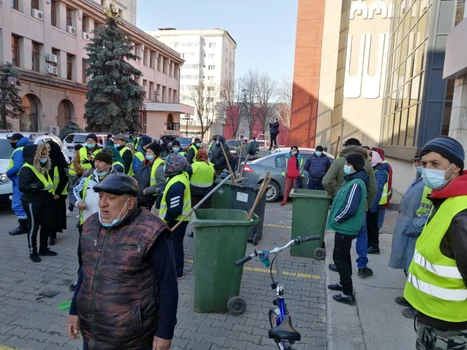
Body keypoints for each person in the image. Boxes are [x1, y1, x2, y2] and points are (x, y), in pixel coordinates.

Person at [67, 174, 178, 350]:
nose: (103, 203)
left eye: (111, 198)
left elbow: (168, 285)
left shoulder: (152, 232)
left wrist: (165, 332)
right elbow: (84, 272)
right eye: (101, 196)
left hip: (132, 338)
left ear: (130, 202)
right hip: (93, 333)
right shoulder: (90, 225)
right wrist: (74, 310)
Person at [403, 136, 467, 349]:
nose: (427, 169)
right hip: (431, 315)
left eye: (435, 163)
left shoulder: (461, 212)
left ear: (456, 166)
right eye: (424, 163)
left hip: (450, 325)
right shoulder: (444, 198)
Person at [323, 138, 376, 278]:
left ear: (345, 147)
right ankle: (362, 267)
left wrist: (336, 193)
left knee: (341, 236)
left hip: (343, 206)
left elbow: (326, 181)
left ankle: (339, 263)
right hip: (360, 207)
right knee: (362, 236)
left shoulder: (339, 161)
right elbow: (373, 189)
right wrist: (366, 205)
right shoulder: (367, 163)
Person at [389, 150, 432, 320]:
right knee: (409, 267)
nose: (417, 166)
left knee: (416, 268)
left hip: (414, 231)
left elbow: (426, 212)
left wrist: (413, 226)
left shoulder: (428, 184)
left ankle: (417, 305)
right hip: (407, 229)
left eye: (420, 163)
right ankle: (410, 297)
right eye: (416, 162)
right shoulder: (419, 180)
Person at [327, 153, 368, 305]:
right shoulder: (352, 180)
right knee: (343, 257)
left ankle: (347, 293)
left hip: (345, 227)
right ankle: (343, 283)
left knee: (340, 258)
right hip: (344, 227)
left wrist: (337, 220)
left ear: (354, 166)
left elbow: (350, 208)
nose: (346, 166)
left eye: (348, 164)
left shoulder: (356, 183)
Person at [68, 148, 117, 273]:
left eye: (100, 161)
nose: (96, 164)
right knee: (84, 253)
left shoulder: (117, 179)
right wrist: (78, 202)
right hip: (87, 224)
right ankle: (82, 277)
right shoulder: (88, 176)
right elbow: (73, 190)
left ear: (108, 164)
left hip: (108, 225)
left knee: (105, 254)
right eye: (96, 161)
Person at [18, 144, 57, 262]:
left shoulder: (41, 166)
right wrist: (38, 186)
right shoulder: (27, 168)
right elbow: (23, 186)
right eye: (41, 154)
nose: (44, 156)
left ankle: (43, 249)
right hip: (32, 202)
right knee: (34, 227)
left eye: (45, 154)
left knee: (46, 225)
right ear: (34, 155)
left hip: (44, 200)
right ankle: (32, 252)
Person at [159, 153, 191, 280]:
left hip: (177, 220)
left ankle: (178, 271)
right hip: (178, 218)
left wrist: (167, 220)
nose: (164, 166)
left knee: (175, 245)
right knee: (174, 245)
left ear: (174, 166)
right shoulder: (180, 175)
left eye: (167, 164)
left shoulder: (177, 183)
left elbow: (175, 208)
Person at [6, 133, 30, 235]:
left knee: (17, 204)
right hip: (22, 178)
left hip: (18, 178)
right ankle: (26, 224)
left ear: (17, 140)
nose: (11, 142)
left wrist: (8, 173)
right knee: (22, 202)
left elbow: (17, 166)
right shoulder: (24, 148)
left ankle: (23, 226)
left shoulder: (18, 150)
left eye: (12, 140)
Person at [46, 140, 69, 246]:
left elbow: (64, 178)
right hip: (47, 193)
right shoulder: (45, 160)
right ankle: (48, 233)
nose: (47, 151)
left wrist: (58, 193)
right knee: (48, 215)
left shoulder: (61, 161)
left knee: (56, 215)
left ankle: (53, 235)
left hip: (58, 194)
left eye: (49, 148)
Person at [366, 151, 389, 254]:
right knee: (370, 226)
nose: (368, 161)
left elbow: (377, 190)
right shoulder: (376, 170)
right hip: (374, 204)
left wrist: (373, 207)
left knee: (373, 227)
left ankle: (374, 246)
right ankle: (370, 244)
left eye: (370, 160)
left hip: (376, 204)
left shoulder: (380, 172)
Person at [134, 142, 165, 211]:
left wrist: (147, 191)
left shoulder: (159, 166)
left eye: (150, 152)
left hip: (148, 199)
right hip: (139, 197)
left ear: (156, 154)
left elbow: (161, 183)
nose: (147, 153)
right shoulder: (144, 163)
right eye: (147, 151)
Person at [67, 145, 85, 217]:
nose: (74, 151)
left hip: (78, 177)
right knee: (72, 193)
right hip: (72, 177)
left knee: (78, 194)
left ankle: (78, 211)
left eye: (74, 149)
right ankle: (70, 209)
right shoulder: (75, 157)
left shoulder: (80, 157)